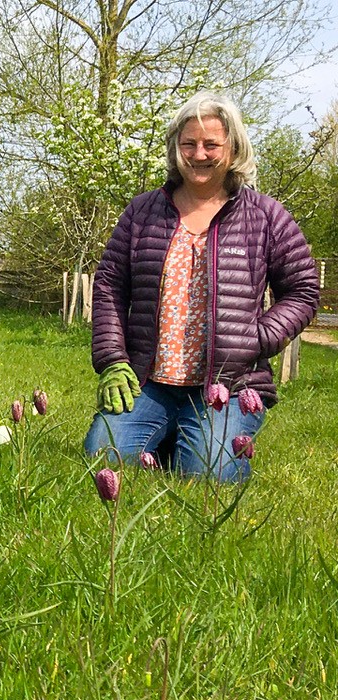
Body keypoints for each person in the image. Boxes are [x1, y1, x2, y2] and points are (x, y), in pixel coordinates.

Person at [86, 91, 318, 482]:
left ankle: (197, 440)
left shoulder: (265, 215)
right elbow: (110, 285)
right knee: (102, 457)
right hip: (150, 380)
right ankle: (169, 434)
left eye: (211, 144)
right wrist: (113, 360)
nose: (199, 154)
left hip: (229, 383)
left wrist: (258, 338)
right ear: (176, 148)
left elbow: (303, 289)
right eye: (189, 143)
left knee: (209, 474)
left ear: (233, 149)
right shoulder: (142, 211)